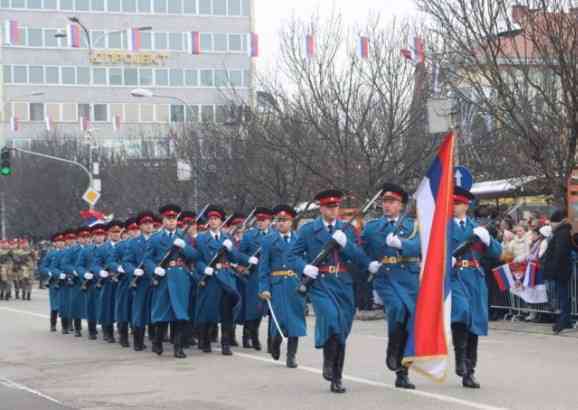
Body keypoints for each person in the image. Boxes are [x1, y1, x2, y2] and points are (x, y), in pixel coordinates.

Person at [289, 189, 375, 393]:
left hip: (343, 283)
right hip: (321, 283)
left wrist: (346, 245)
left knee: (342, 330)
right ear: (321, 208)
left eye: (336, 206)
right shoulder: (309, 230)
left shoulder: (347, 230)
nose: (333, 210)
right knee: (331, 319)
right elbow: (291, 256)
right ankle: (328, 361)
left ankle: (337, 376)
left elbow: (360, 257)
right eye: (329, 207)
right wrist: (304, 267)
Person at [361, 183, 420, 389]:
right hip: (385, 277)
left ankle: (403, 373)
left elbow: (421, 245)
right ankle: (392, 349)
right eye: (385, 201)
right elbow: (361, 250)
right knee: (397, 308)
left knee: (410, 321)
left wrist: (402, 244)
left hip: (409, 278)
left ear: (401, 205)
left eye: (392, 201)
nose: (387, 205)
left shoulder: (413, 226)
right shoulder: (372, 227)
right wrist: (369, 263)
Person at [450, 187, 502, 389]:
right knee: (461, 312)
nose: (454, 207)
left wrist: (489, 240)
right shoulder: (443, 227)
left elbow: (498, 253)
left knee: (474, 323)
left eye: (457, 204)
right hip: (454, 276)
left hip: (475, 278)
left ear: (466, 205)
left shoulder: (476, 228)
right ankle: (459, 360)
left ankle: (469, 371)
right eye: (452, 203)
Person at [194, 205, 254, 356]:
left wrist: (246, 258)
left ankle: (225, 343)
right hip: (212, 277)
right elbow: (197, 259)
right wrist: (203, 269)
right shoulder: (201, 238)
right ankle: (206, 340)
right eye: (211, 219)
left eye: (216, 219)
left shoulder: (227, 238)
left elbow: (235, 257)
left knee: (227, 311)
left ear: (221, 221)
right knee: (209, 311)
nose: (214, 221)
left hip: (226, 277)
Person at [144, 204, 200, 358]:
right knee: (162, 313)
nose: (171, 222)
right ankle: (157, 341)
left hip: (180, 278)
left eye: (173, 219)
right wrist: (154, 269)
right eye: (168, 219)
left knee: (179, 314)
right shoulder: (156, 238)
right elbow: (147, 259)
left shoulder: (184, 237)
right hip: (163, 278)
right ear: (162, 220)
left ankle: (178, 347)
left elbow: (194, 256)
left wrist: (184, 247)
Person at [259, 205, 306, 368]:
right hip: (277, 284)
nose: (281, 223)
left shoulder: (299, 239)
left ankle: (291, 356)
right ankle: (275, 341)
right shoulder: (268, 240)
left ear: (291, 222)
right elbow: (263, 267)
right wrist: (263, 287)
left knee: (295, 320)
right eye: (278, 220)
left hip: (294, 283)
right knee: (278, 319)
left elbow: (305, 262)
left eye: (284, 220)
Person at [239, 207, 272, 350]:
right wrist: (249, 259)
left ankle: (271, 340)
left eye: (263, 220)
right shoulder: (249, 236)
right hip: (254, 276)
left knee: (268, 309)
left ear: (269, 221)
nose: (260, 223)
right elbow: (239, 254)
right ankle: (250, 336)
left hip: (271, 275)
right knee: (254, 308)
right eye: (258, 220)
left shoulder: (274, 235)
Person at [123, 211, 155, 351]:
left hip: (156, 280)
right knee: (139, 311)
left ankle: (156, 341)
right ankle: (138, 341)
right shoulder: (133, 243)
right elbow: (127, 262)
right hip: (141, 281)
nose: (149, 226)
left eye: (150, 223)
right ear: (140, 226)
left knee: (156, 310)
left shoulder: (158, 239)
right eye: (145, 223)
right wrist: (133, 270)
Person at [542, 210, 575, 334]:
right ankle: (566, 320)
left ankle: (564, 320)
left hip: (560, 269)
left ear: (557, 222)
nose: (550, 226)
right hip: (561, 268)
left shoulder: (562, 233)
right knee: (562, 295)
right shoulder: (562, 232)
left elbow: (559, 253)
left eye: (551, 223)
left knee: (563, 296)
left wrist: (553, 267)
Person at [39, 233, 65, 331]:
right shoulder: (50, 254)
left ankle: (66, 325)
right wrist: (49, 272)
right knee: (54, 304)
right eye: (58, 241)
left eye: (62, 241)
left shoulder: (68, 252)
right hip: (54, 281)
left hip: (65, 281)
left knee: (65, 303)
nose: (61, 243)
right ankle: (53, 324)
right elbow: (42, 267)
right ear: (55, 243)